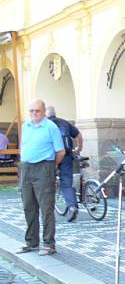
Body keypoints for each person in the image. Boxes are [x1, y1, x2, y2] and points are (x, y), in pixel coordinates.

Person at [18, 99, 65, 255]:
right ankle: (31, 242)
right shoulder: (26, 126)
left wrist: (51, 167)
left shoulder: (51, 127)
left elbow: (60, 152)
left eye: (37, 111)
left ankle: (49, 244)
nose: (34, 114)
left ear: (44, 112)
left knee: (46, 208)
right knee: (28, 206)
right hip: (26, 167)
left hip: (44, 167)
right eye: (31, 111)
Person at [46, 105, 83, 222]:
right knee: (66, 183)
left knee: (47, 180)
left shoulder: (45, 125)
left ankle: (45, 207)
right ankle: (72, 206)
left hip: (51, 157)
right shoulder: (64, 122)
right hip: (67, 155)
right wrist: (78, 148)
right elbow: (78, 135)